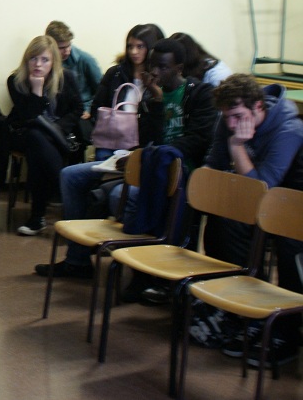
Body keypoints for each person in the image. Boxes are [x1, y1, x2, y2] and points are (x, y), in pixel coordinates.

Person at [36, 38, 216, 279]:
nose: (155, 72)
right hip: (145, 165)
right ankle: (77, 261)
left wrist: (148, 155)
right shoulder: (150, 95)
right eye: (152, 66)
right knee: (71, 175)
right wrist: (155, 103)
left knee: (119, 195)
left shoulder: (199, 94)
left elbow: (198, 140)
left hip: (178, 172)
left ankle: (140, 271)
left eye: (163, 67)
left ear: (179, 68)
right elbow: (146, 140)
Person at [203, 74, 303, 366]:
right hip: (262, 208)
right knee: (221, 222)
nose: (232, 124)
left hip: (291, 209)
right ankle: (244, 312)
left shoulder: (289, 128)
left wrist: (237, 147)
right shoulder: (229, 119)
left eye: (237, 117)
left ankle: (285, 331)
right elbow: (213, 167)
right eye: (227, 118)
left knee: (290, 244)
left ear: (259, 106)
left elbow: (261, 188)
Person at [7, 35, 83, 236]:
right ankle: (65, 192)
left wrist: (57, 127)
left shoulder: (67, 78)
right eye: (33, 58)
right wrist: (37, 90)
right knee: (36, 137)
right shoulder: (15, 81)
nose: (38, 65)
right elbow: (28, 117)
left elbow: (78, 109)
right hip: (26, 133)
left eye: (44, 60)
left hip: (58, 135)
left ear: (54, 62)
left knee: (38, 153)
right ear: (26, 60)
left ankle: (37, 217)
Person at [87, 24, 162, 159]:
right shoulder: (115, 73)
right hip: (112, 140)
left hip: (141, 143)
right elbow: (97, 106)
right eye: (130, 46)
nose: (134, 52)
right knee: (101, 163)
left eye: (140, 46)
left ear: (150, 48)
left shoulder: (157, 78)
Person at [45, 21, 101, 125]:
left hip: (81, 111)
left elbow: (101, 93)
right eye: (61, 48)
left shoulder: (86, 60)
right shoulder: (43, 62)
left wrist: (89, 109)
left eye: (69, 45)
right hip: (56, 113)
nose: (67, 51)